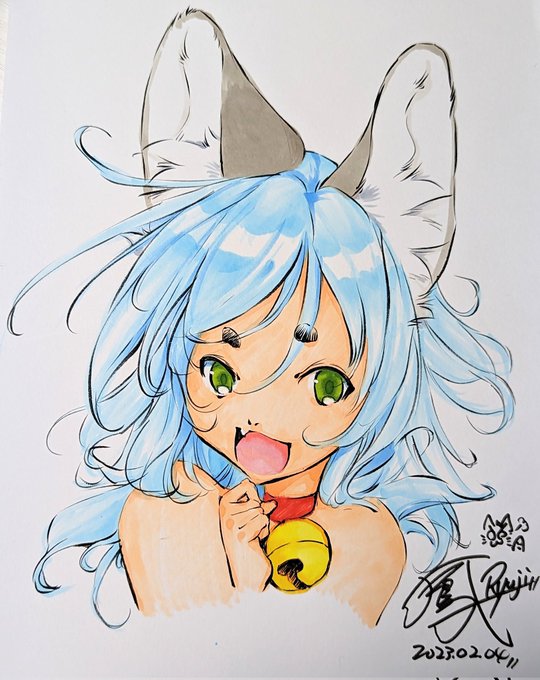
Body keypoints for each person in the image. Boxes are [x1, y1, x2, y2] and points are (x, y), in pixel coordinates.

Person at [12, 10, 512, 626]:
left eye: (326, 384)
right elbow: (178, 640)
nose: (260, 421)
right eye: (220, 371)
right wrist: (198, 550)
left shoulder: (369, 539)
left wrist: (241, 576)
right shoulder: (153, 519)